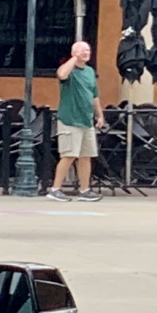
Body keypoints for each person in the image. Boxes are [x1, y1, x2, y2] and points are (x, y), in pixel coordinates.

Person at [50, 38, 100, 200]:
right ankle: (55, 189)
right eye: (82, 50)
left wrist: (99, 114)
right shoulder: (68, 70)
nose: (86, 53)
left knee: (86, 156)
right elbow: (61, 74)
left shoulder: (90, 72)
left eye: (88, 51)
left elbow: (94, 94)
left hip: (86, 120)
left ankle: (85, 190)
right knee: (69, 155)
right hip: (69, 119)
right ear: (73, 53)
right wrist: (73, 58)